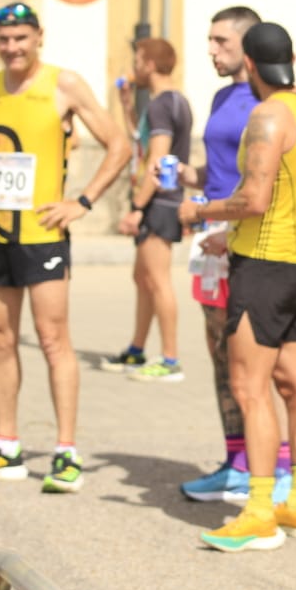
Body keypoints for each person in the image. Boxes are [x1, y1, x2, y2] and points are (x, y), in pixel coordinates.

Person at [0, 2, 129, 493]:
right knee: (0, 339)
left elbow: (120, 144)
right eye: (4, 39)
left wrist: (83, 202)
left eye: (21, 39)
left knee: (53, 341)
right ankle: (7, 448)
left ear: (38, 37)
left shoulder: (63, 85)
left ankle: (66, 452)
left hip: (44, 234)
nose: (12, 48)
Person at [178, 21, 296, 551]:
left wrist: (199, 211)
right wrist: (273, 236)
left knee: (250, 388)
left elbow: (253, 199)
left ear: (250, 65)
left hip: (261, 272)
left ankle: (259, 511)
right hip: (294, 266)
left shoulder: (267, 115)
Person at [175, 6, 294, 503]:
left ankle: (277, 467)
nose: (211, 50)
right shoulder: (223, 95)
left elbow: (269, 181)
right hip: (211, 233)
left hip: (246, 233)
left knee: (260, 361)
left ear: (247, 50)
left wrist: (230, 226)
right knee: (220, 353)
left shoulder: (269, 103)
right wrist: (190, 179)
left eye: (221, 42)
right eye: (209, 40)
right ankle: (236, 460)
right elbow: (223, 167)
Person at [100, 37, 193, 382]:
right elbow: (143, 142)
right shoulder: (175, 102)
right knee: (142, 278)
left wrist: (137, 207)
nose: (135, 66)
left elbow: (157, 158)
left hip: (159, 201)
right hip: (164, 198)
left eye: (138, 60)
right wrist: (126, 105)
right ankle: (137, 350)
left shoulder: (160, 106)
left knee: (157, 280)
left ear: (150, 64)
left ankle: (170, 360)